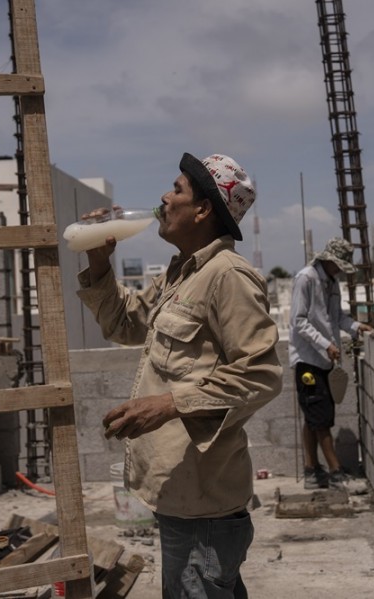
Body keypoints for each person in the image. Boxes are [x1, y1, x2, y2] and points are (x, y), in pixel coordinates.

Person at [76, 153, 283, 598]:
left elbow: (262, 373)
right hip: (183, 496)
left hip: (203, 507)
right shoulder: (182, 273)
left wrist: (169, 404)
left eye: (177, 189)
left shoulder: (227, 276)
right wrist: (98, 262)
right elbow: (125, 324)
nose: (164, 198)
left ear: (204, 209)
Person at [288, 237, 373, 490]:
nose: (339, 270)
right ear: (328, 260)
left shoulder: (332, 283)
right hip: (307, 360)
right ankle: (335, 472)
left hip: (325, 359)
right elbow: (299, 322)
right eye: (338, 265)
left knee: (312, 417)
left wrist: (357, 327)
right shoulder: (306, 278)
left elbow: (337, 318)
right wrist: (326, 344)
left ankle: (312, 470)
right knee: (321, 418)